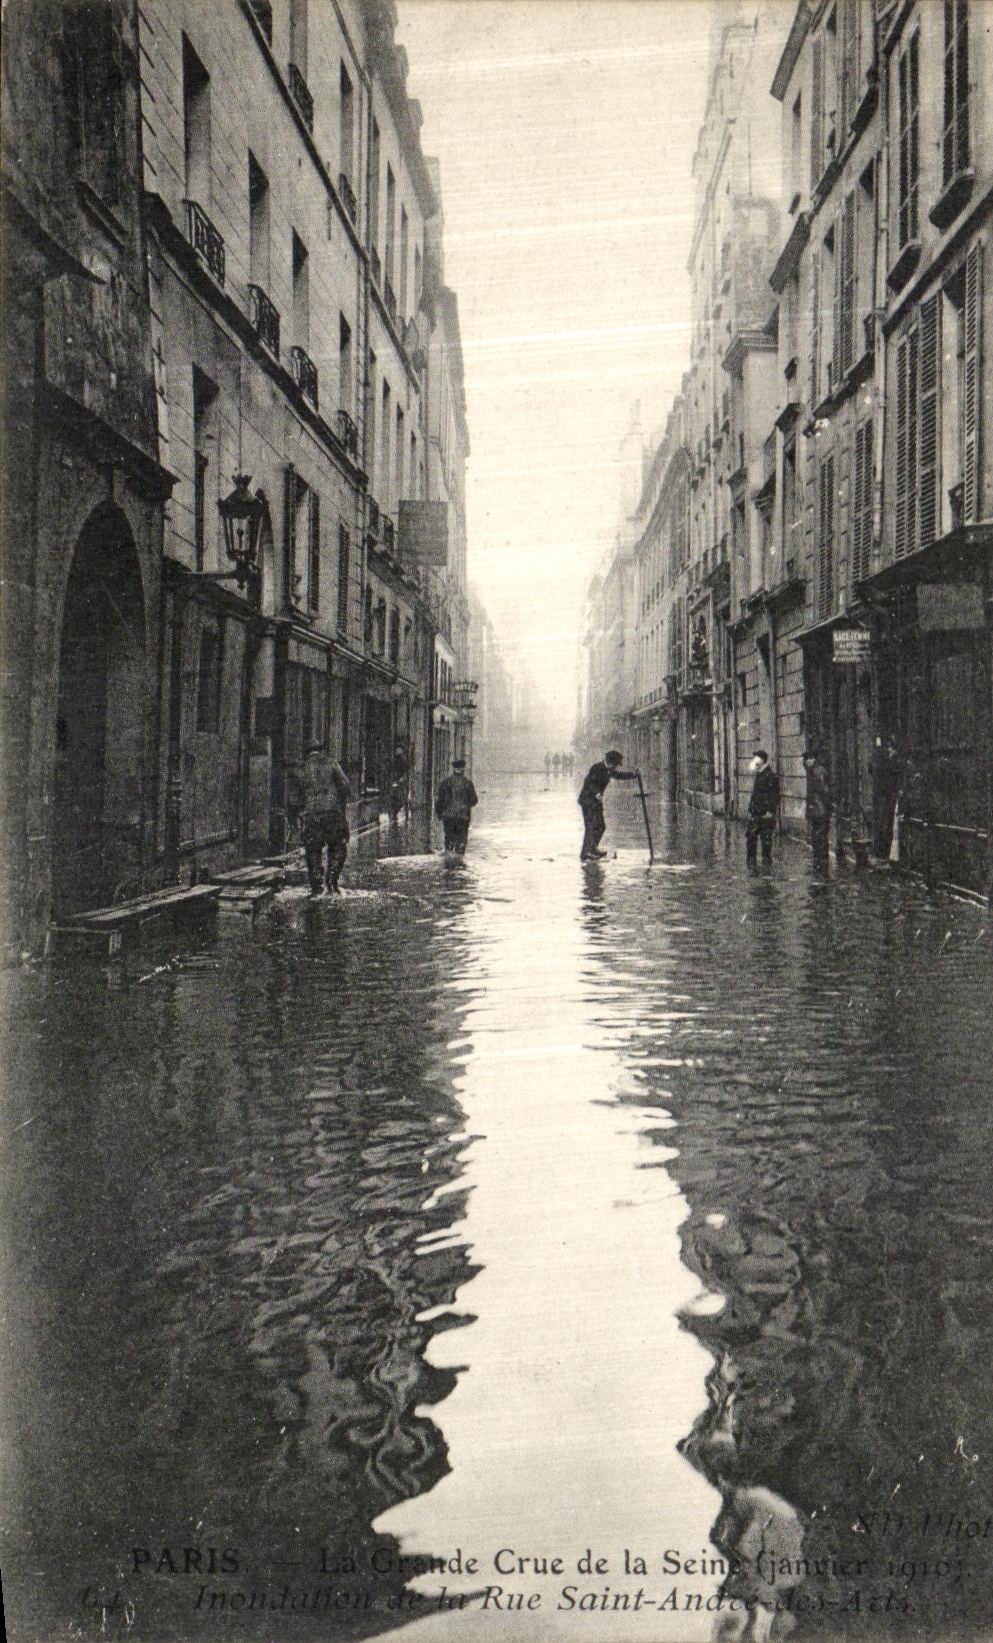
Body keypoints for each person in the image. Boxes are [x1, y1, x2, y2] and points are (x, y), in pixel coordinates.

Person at [299, 742, 352, 894]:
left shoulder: (302, 767)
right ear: (322, 751)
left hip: (311, 815)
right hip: (332, 813)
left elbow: (296, 796)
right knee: (337, 847)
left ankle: (317, 885)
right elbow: (346, 786)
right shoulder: (332, 763)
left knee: (313, 850)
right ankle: (332, 880)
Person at [578, 749, 636, 860]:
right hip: (587, 800)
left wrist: (633, 775)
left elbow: (619, 775)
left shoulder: (609, 769)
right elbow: (589, 783)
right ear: (610, 762)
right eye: (615, 764)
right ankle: (586, 853)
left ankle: (592, 848)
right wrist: (596, 793)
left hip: (596, 801)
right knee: (591, 827)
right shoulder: (597, 768)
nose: (616, 767)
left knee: (601, 826)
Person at [435, 757, 478, 855]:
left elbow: (439, 801)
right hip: (463, 817)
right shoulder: (468, 783)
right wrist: (466, 806)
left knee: (449, 839)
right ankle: (459, 862)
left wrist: (439, 814)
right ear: (463, 768)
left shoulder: (445, 782)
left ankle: (449, 860)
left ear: (454, 769)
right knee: (461, 841)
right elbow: (474, 800)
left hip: (449, 816)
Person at [745, 748, 780, 868]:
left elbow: (775, 796)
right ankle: (752, 864)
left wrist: (770, 811)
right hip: (756, 814)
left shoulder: (771, 776)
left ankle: (765, 866)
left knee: (766, 841)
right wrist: (750, 810)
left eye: (755, 759)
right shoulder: (759, 775)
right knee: (751, 838)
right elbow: (755, 796)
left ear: (761, 762)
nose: (753, 762)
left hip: (765, 815)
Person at [803, 746, 832, 870]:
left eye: (806, 759)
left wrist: (824, 806)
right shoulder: (813, 770)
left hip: (820, 809)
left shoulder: (817, 771)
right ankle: (819, 861)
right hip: (817, 808)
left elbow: (824, 790)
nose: (805, 762)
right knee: (817, 835)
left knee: (819, 835)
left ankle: (822, 862)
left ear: (811, 759)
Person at [388, 742, 409, 822]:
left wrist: (402, 778)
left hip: (400, 781)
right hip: (396, 780)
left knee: (400, 797)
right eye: (397, 750)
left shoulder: (403, 759)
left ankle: (396, 811)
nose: (397, 751)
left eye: (399, 750)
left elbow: (406, 769)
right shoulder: (395, 759)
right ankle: (395, 811)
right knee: (395, 796)